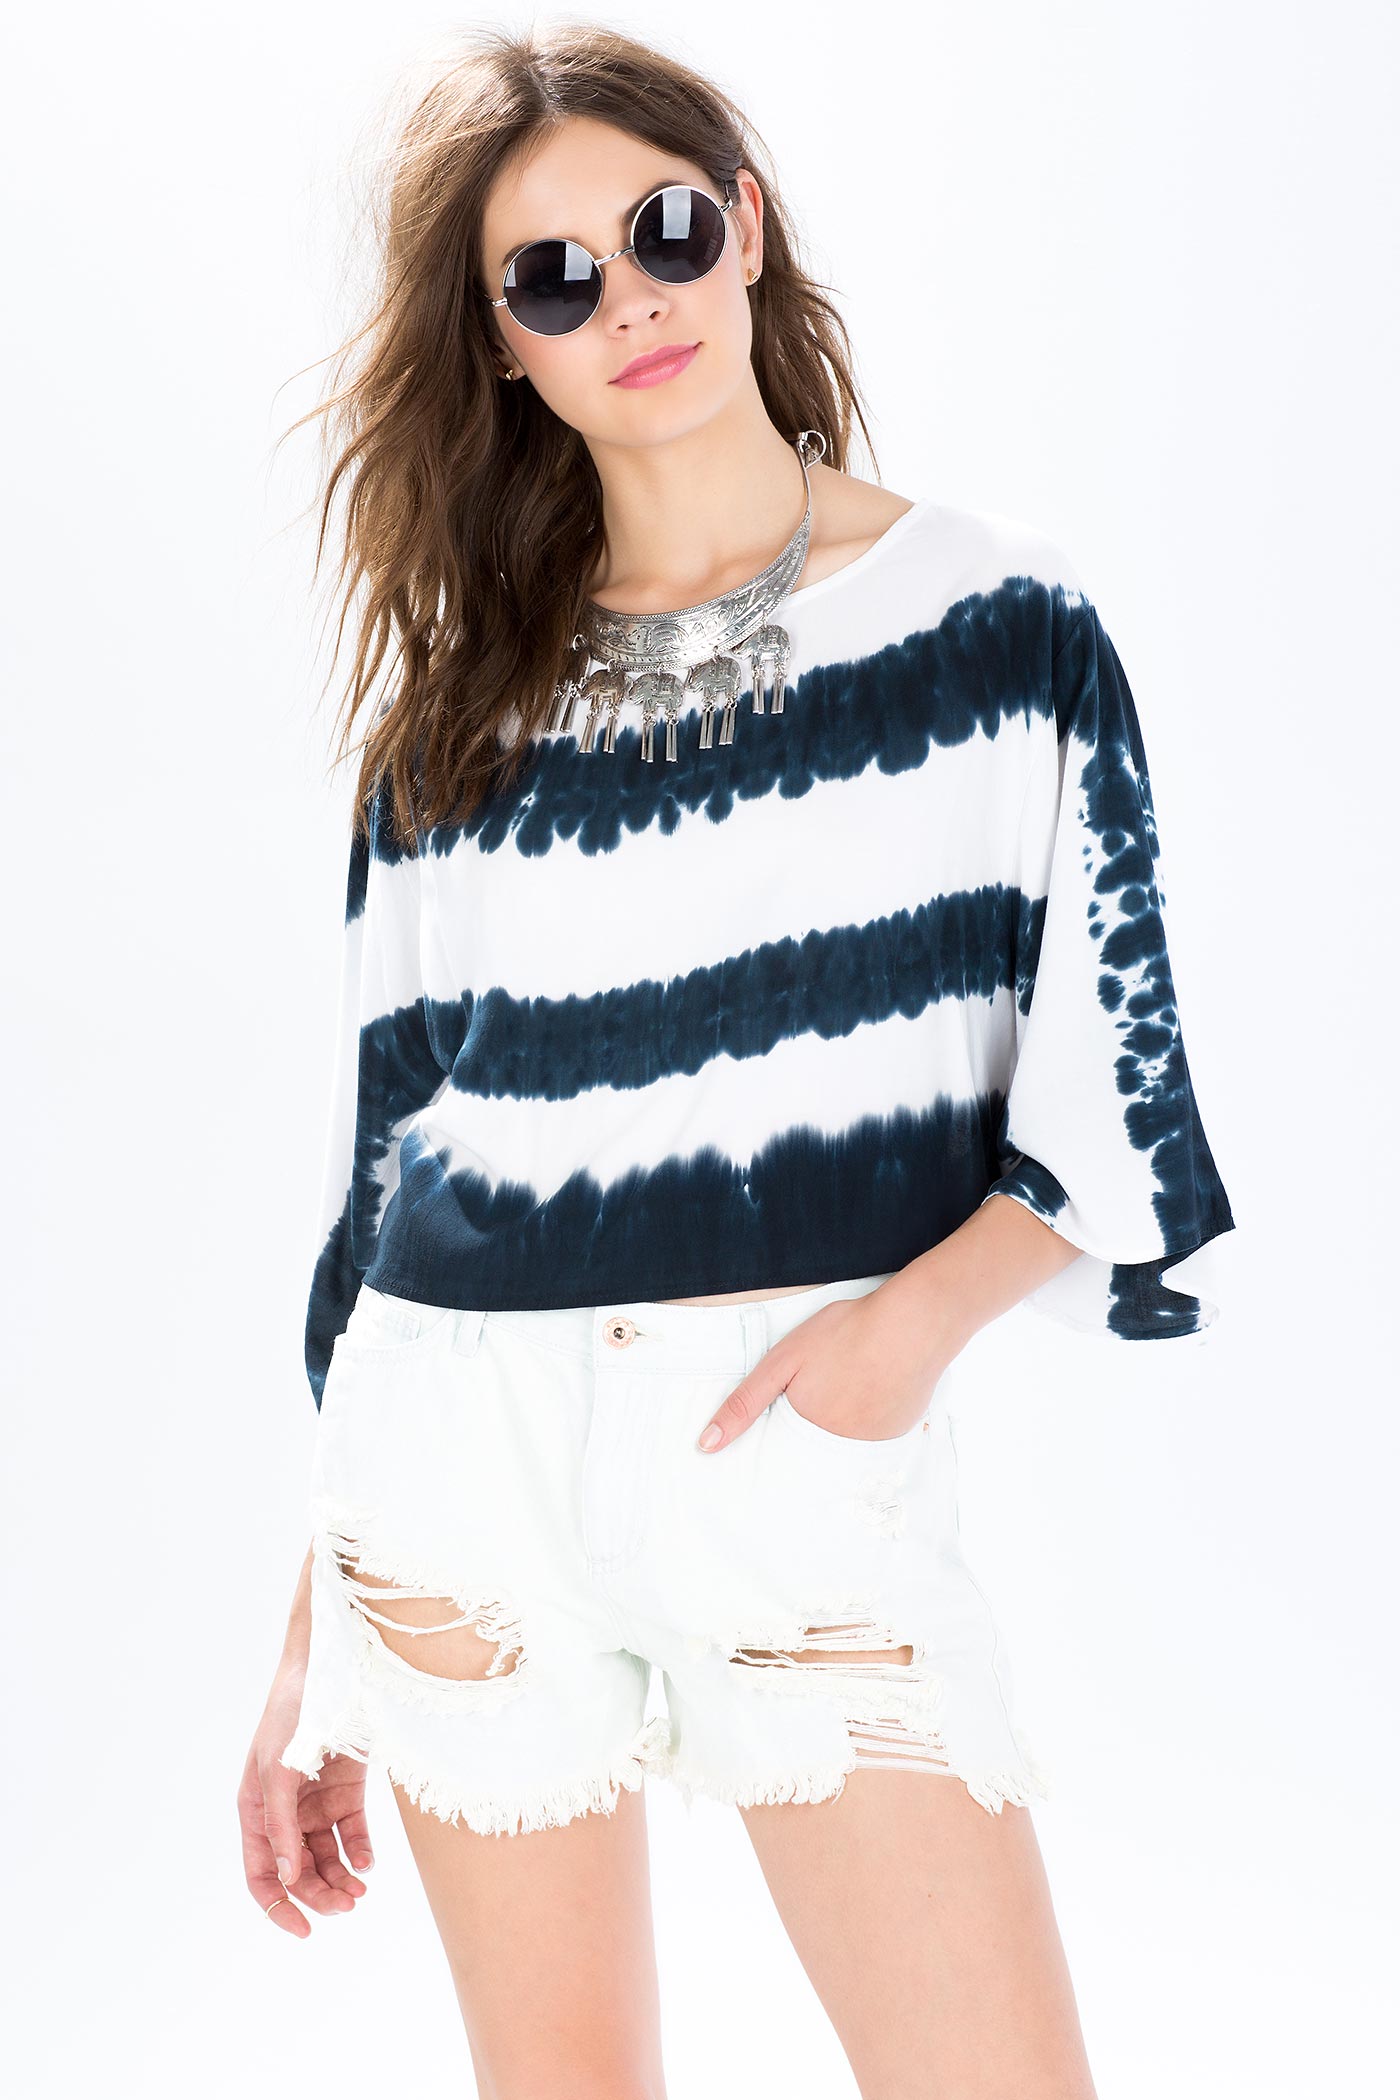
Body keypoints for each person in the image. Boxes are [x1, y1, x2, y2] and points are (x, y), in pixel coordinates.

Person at [237, 23, 1235, 2098]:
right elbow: (387, 1167)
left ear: (748, 229)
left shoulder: (995, 626)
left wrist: (888, 1350)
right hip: (458, 1480)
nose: (631, 297)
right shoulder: (459, 715)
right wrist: (313, 1628)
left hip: (789, 1455)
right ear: (505, 347)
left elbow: (1118, 1102)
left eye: (665, 230)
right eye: (554, 277)